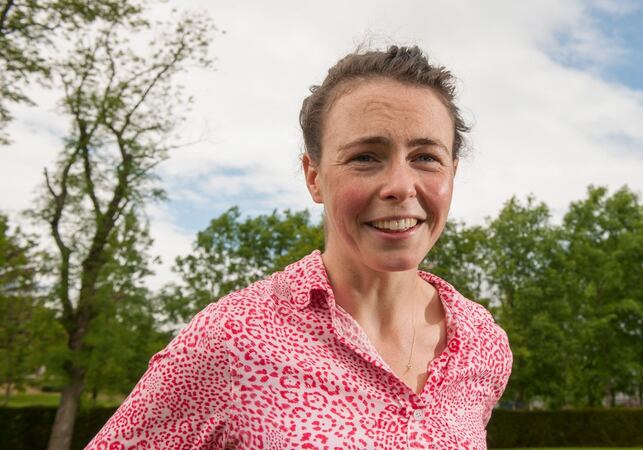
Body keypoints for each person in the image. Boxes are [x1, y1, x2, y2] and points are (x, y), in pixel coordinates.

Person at [86, 45, 513, 450]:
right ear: (314, 176)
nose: (401, 186)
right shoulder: (233, 339)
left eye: (425, 157)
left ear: (452, 173)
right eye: (366, 157)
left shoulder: (483, 344)